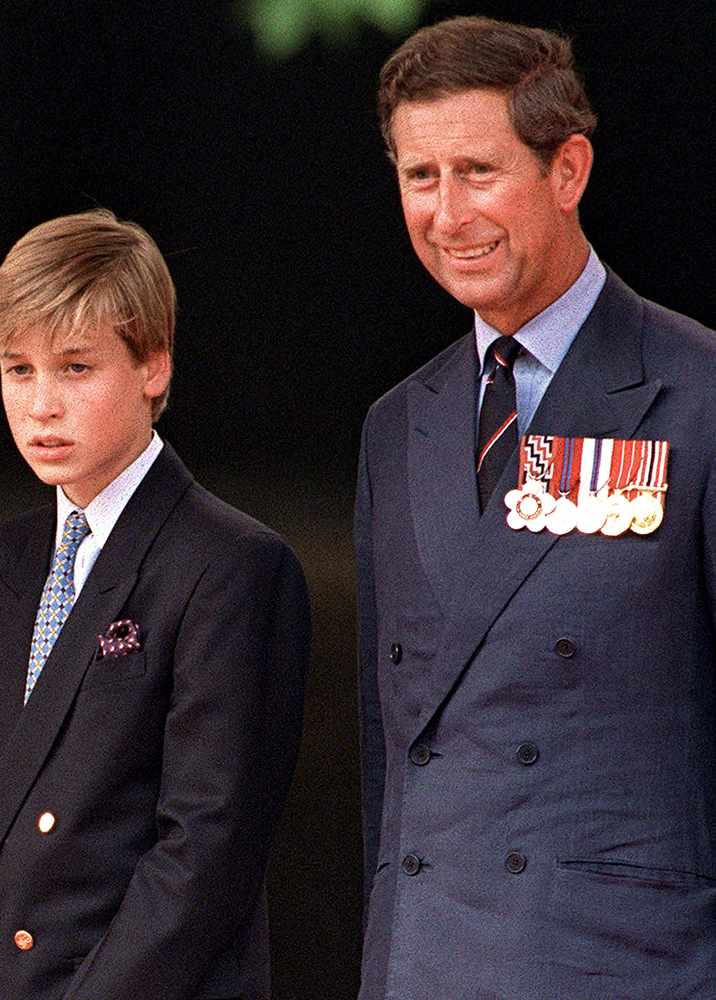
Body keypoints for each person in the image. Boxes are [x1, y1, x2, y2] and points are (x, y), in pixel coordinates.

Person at [356, 15, 716, 998]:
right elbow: (395, 763)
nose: (448, 212)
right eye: (419, 178)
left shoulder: (697, 393)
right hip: (426, 962)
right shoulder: (399, 426)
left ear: (569, 171)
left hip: (628, 964)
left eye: (479, 171)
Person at [0, 209, 310, 1000]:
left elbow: (203, 853)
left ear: (153, 365)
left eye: (76, 367)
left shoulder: (234, 568)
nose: (41, 404)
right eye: (18, 369)